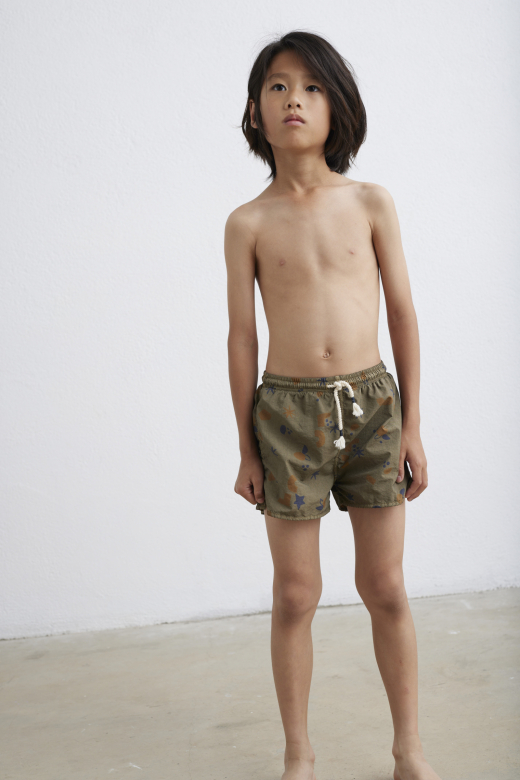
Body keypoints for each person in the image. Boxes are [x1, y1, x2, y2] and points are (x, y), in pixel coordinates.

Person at [224, 30, 439, 780]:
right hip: (285, 419)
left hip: (373, 409)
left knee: (385, 586)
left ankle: (408, 749)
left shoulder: (370, 202)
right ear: (256, 111)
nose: (295, 100)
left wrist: (413, 426)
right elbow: (242, 337)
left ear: (336, 105)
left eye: (312, 87)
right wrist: (246, 448)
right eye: (278, 87)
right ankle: (299, 754)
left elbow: (403, 314)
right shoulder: (247, 222)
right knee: (295, 594)